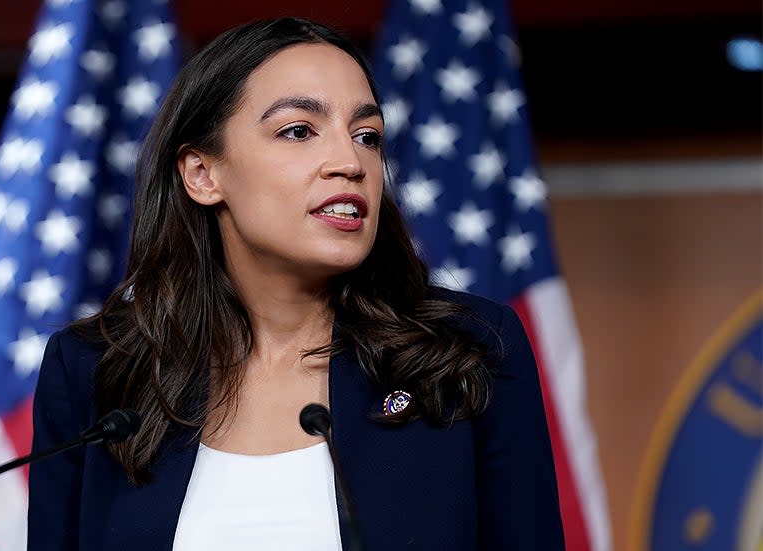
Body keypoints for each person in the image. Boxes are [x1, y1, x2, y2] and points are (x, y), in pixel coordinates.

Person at [28, 17, 565, 550]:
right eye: (298, 131)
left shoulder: (468, 349)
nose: (350, 162)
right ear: (202, 174)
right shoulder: (94, 373)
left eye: (368, 136)